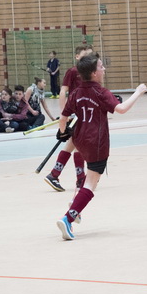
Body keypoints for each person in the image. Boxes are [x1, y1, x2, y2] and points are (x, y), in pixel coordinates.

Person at [55, 53, 147, 240]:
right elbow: (121, 109)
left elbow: (63, 118)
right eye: (101, 66)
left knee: (89, 176)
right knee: (92, 183)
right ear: (94, 73)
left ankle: (75, 203)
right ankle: (68, 218)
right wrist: (138, 92)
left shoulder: (76, 92)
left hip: (80, 140)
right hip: (96, 142)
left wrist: (63, 132)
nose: (104, 69)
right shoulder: (101, 92)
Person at [45, 44, 93, 192]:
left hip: (83, 114)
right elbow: (63, 91)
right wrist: (64, 114)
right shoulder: (73, 71)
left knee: (75, 144)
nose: (88, 58)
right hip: (75, 113)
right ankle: (62, 175)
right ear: (77, 57)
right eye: (85, 55)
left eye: (90, 56)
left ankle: (69, 176)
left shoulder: (90, 73)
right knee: (75, 144)